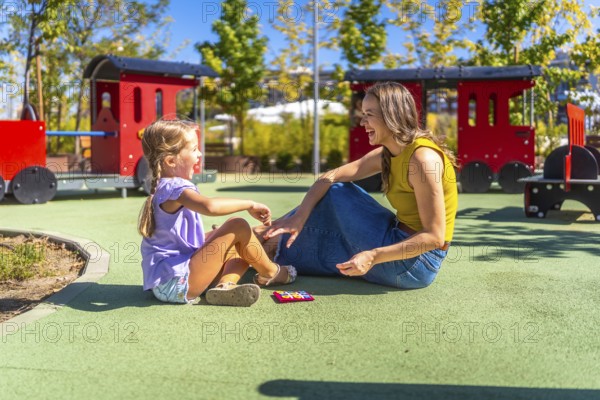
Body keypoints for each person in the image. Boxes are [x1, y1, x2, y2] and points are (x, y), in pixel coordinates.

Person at [263, 82, 457, 289]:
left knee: (336, 196)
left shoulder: (423, 160)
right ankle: (266, 241)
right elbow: (329, 177)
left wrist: (373, 256)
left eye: (369, 114)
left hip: (416, 263)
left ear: (391, 115)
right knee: (328, 201)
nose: (362, 121)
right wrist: (299, 217)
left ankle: (261, 244)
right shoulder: (390, 153)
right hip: (394, 236)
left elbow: (434, 237)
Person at [138, 119, 296, 306]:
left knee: (239, 243)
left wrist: (216, 235)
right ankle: (272, 273)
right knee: (238, 225)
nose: (200, 154)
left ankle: (224, 286)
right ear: (171, 161)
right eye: (194, 149)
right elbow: (210, 207)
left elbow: (179, 242)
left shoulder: (163, 187)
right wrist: (249, 204)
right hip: (177, 283)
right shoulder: (174, 186)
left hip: (171, 281)